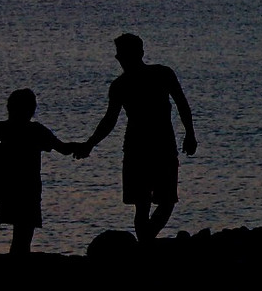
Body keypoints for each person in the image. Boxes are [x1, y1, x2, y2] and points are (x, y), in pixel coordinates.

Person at [74, 33, 197, 242]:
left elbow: (181, 103)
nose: (120, 59)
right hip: (144, 148)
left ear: (138, 53)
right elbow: (109, 120)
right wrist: (90, 144)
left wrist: (190, 134)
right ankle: (146, 245)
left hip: (156, 147)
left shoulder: (157, 75)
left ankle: (145, 243)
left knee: (159, 202)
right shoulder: (125, 84)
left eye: (122, 54)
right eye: (120, 55)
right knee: (150, 204)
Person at [0, 88, 82, 254]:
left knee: (19, 237)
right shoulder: (36, 131)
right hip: (28, 189)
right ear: (31, 109)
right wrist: (83, 146)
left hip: (9, 188)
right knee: (23, 237)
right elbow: (62, 148)